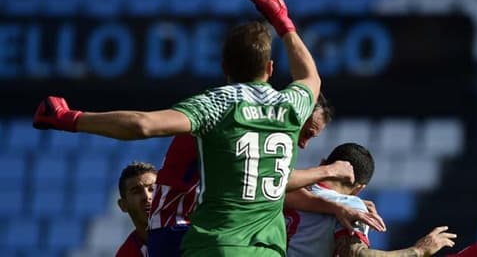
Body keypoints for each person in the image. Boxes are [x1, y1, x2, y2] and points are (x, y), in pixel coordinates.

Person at [33, 0, 321, 256]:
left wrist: (70, 118)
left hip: (214, 247)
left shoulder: (216, 104)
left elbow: (142, 125)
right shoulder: (293, 104)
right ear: (270, 68)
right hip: (268, 250)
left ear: (224, 68)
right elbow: (310, 77)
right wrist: (284, 24)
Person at [147, 93, 386, 257]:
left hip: (184, 228)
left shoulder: (256, 126)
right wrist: (330, 174)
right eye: (307, 132)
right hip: (181, 227)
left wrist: (336, 205)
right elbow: (270, 185)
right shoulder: (248, 127)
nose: (303, 144)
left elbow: (278, 192)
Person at [286, 143, 457, 257]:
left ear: (323, 163)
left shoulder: (286, 189)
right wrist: (418, 251)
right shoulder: (350, 205)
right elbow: (356, 254)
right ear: (360, 188)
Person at [116, 162, 157, 257]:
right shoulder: (126, 254)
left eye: (152, 189)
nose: (147, 196)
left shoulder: (187, 234)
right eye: (137, 191)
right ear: (123, 205)